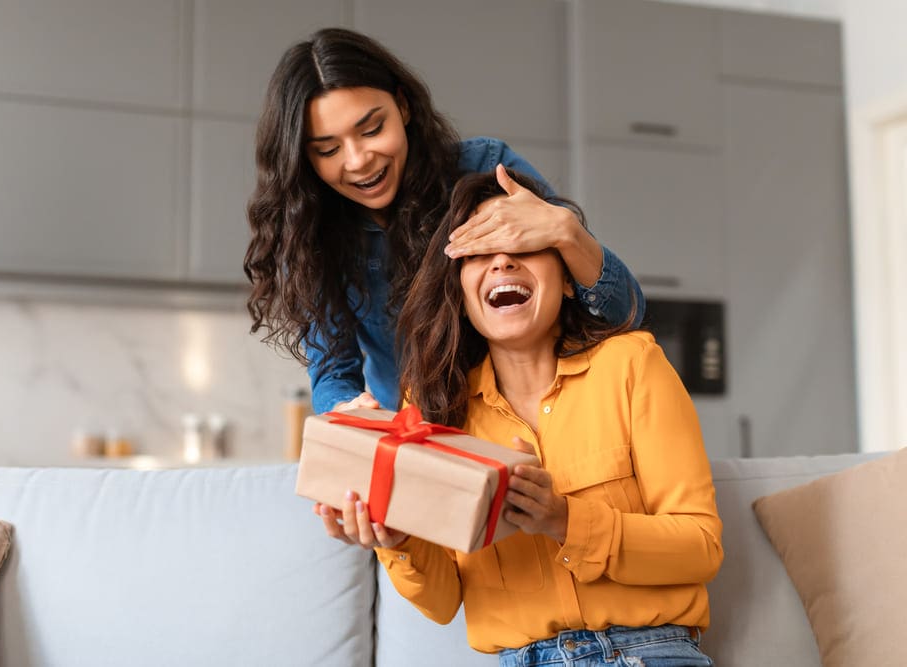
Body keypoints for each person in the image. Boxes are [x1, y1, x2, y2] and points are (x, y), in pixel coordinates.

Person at [316, 170, 723, 666]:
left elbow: (701, 547)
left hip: (647, 652)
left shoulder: (632, 365)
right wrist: (397, 540)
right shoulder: (432, 409)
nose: (502, 260)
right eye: (479, 253)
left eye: (523, 246)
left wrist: (565, 520)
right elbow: (443, 602)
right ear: (461, 295)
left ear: (569, 281)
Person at [244, 27, 645, 414]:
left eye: (372, 129)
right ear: (304, 159)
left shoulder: (484, 171)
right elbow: (333, 374)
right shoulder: (311, 230)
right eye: (328, 149)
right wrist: (348, 409)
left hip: (537, 419)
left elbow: (625, 312)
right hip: (418, 432)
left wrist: (566, 231)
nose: (358, 160)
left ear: (403, 106)